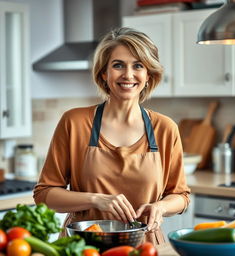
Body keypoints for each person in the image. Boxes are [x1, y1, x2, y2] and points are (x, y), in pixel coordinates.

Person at [33, 27, 190, 244]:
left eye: (138, 66)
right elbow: (44, 195)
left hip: (145, 246)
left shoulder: (165, 128)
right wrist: (96, 200)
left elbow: (181, 196)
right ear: (104, 74)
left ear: (148, 75)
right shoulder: (74, 122)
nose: (128, 74)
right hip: (84, 246)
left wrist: (161, 206)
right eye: (118, 65)